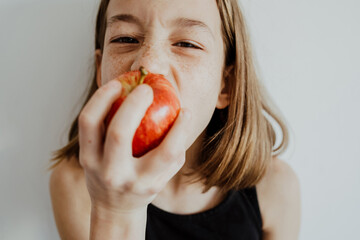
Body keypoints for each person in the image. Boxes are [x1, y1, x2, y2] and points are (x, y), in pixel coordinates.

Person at [49, 0, 301, 239]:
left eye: (187, 44)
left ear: (226, 85)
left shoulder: (276, 188)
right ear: (101, 71)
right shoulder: (76, 186)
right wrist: (116, 212)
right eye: (125, 38)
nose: (148, 64)